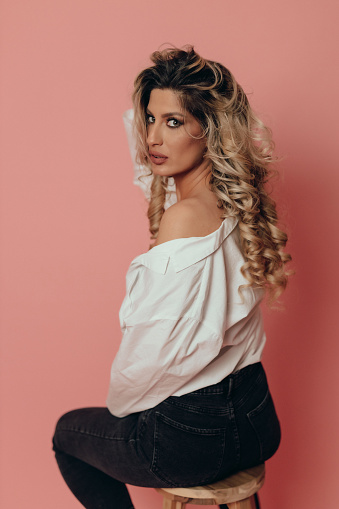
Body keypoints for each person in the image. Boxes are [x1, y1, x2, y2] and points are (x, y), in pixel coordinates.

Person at [52, 46, 291, 509]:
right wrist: (163, 104)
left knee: (67, 435)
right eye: (149, 119)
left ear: (210, 130)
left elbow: (150, 353)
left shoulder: (182, 219)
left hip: (193, 442)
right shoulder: (241, 203)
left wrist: (122, 409)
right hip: (257, 421)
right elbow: (149, 160)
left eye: (174, 122)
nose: (153, 138)